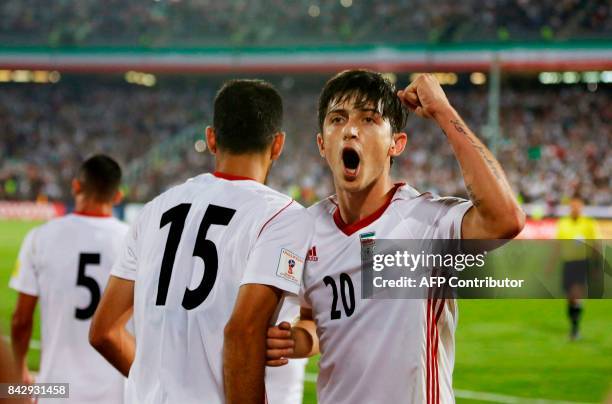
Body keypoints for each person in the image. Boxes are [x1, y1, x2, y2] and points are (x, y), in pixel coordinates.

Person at [265, 70, 525, 403]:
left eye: (369, 119)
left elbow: (506, 219)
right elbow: (315, 321)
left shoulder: (428, 223)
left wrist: (444, 113)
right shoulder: (305, 229)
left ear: (396, 144)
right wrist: (298, 340)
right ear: (322, 143)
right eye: (338, 119)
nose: (351, 130)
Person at [89, 79, 313, 404]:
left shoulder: (154, 210)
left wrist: (148, 383)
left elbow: (103, 330)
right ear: (277, 145)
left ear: (211, 138)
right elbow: (244, 334)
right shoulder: (284, 217)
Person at [9, 154, 128, 403]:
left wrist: (19, 372)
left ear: (76, 186)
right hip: (117, 394)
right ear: (118, 196)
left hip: (57, 391)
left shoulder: (40, 237)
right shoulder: (135, 240)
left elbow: (21, 321)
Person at [555, 195, 600, 340]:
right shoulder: (563, 223)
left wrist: (596, 265)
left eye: (577, 206)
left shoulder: (588, 223)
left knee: (576, 294)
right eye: (572, 206)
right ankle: (574, 323)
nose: (574, 208)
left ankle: (575, 330)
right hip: (568, 263)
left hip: (582, 262)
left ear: (581, 206)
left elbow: (595, 245)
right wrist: (550, 264)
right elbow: (558, 245)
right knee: (569, 297)